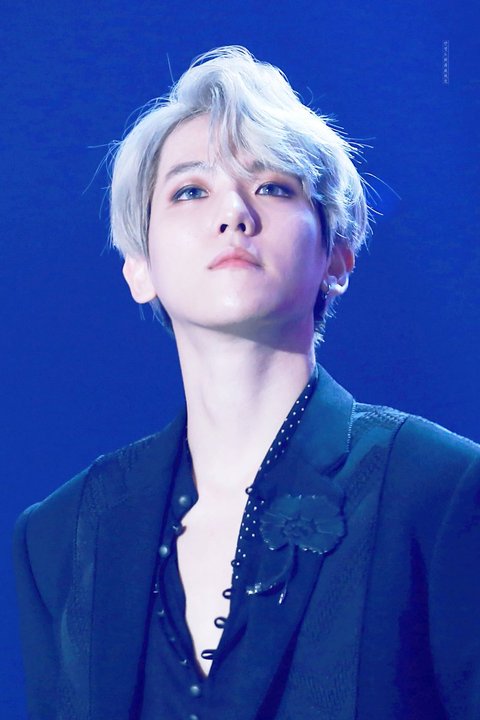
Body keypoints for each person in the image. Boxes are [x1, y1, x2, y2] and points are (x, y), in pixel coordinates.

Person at [13, 46, 480, 720]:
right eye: (190, 191)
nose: (233, 213)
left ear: (337, 257)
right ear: (138, 266)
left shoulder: (441, 491)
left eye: (273, 187)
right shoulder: (60, 536)